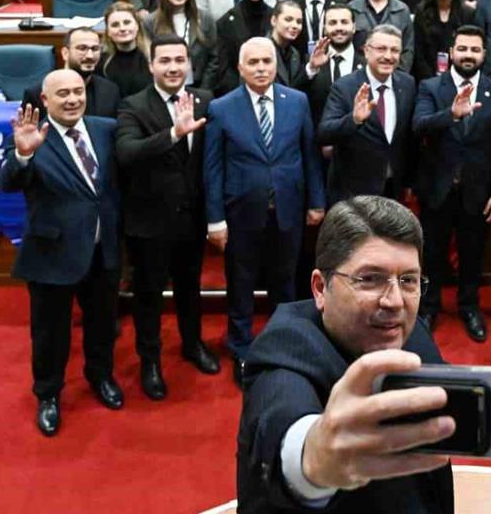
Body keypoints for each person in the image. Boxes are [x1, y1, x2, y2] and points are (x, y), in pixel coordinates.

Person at [235, 196, 491, 511]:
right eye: (370, 279)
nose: (394, 301)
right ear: (321, 288)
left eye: (408, 280)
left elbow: (452, 416)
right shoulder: (284, 354)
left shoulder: (408, 333)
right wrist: (316, 460)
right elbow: (284, 434)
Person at [1, 70, 122, 437]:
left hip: (103, 249)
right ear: (44, 100)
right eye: (62, 94)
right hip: (52, 252)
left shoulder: (105, 128)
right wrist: (22, 154)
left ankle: (100, 377)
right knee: (50, 333)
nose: (72, 99)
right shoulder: (33, 136)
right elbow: (9, 182)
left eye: (77, 91)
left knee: (102, 324)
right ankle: (48, 394)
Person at [205, 36, 327, 386]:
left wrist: (317, 201)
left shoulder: (298, 101)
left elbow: (309, 155)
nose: (261, 68)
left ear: (276, 65)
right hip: (241, 213)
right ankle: (242, 350)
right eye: (253, 62)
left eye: (266, 61)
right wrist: (215, 219)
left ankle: (282, 346)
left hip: (289, 210)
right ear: (241, 68)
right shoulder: (221, 107)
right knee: (240, 285)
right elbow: (212, 169)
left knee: (285, 282)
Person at [115, 35, 222, 400]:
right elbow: (128, 153)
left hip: (191, 221)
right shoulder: (132, 106)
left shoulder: (205, 99)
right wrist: (174, 133)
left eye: (180, 59)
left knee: (190, 290)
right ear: (151, 66)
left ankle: (193, 345)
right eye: (165, 61)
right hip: (149, 223)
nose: (174, 67)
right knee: (148, 297)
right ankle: (150, 361)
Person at [412, 26, 491, 337]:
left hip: (478, 191)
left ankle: (469, 308)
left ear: (483, 55)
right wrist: (451, 115)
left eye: (475, 50)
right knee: (431, 255)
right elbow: (419, 126)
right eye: (463, 49)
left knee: (473, 254)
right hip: (437, 190)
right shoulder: (431, 87)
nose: (468, 55)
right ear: (451, 53)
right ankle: (427, 309)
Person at [318, 25, 418, 204]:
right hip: (353, 192)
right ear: (366, 51)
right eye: (381, 49)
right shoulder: (345, 87)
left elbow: (409, 139)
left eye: (394, 50)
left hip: (392, 190)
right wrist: (354, 119)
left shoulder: (408, 84)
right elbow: (325, 133)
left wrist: (409, 183)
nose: (388, 56)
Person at [143, 0, 218, 88]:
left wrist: (204, 91)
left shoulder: (205, 18)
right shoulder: (150, 22)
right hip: (164, 88)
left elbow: (214, 59)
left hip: (199, 87)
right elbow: (150, 61)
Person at [23, 28, 122, 119]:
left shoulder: (111, 91)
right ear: (65, 53)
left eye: (95, 49)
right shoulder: (37, 94)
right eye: (82, 48)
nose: (90, 56)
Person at [210, 0, 275, 96]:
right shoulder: (227, 21)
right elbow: (223, 65)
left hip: (271, 86)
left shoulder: (274, 18)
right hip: (236, 90)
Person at [349, 0, 416, 72]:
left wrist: (399, 75)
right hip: (359, 76)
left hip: (393, 76)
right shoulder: (352, 9)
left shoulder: (402, 10)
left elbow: (407, 50)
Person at [304, 3, 366, 123]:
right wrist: (311, 68)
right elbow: (298, 96)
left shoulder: (366, 63)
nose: (339, 27)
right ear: (324, 28)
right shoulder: (310, 62)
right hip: (320, 137)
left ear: (353, 27)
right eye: (332, 23)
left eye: (344, 22)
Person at [413, 0, 475, 80]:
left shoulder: (468, 13)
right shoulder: (421, 12)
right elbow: (419, 51)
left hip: (460, 75)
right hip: (426, 76)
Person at [99, 1, 152, 99]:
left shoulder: (152, 57)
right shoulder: (100, 61)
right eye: (115, 25)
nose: (122, 28)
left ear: (137, 26)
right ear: (108, 32)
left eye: (127, 23)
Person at [267, 0, 309, 89]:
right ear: (274, 20)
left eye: (299, 22)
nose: (295, 25)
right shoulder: (259, 49)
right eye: (288, 19)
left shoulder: (294, 54)